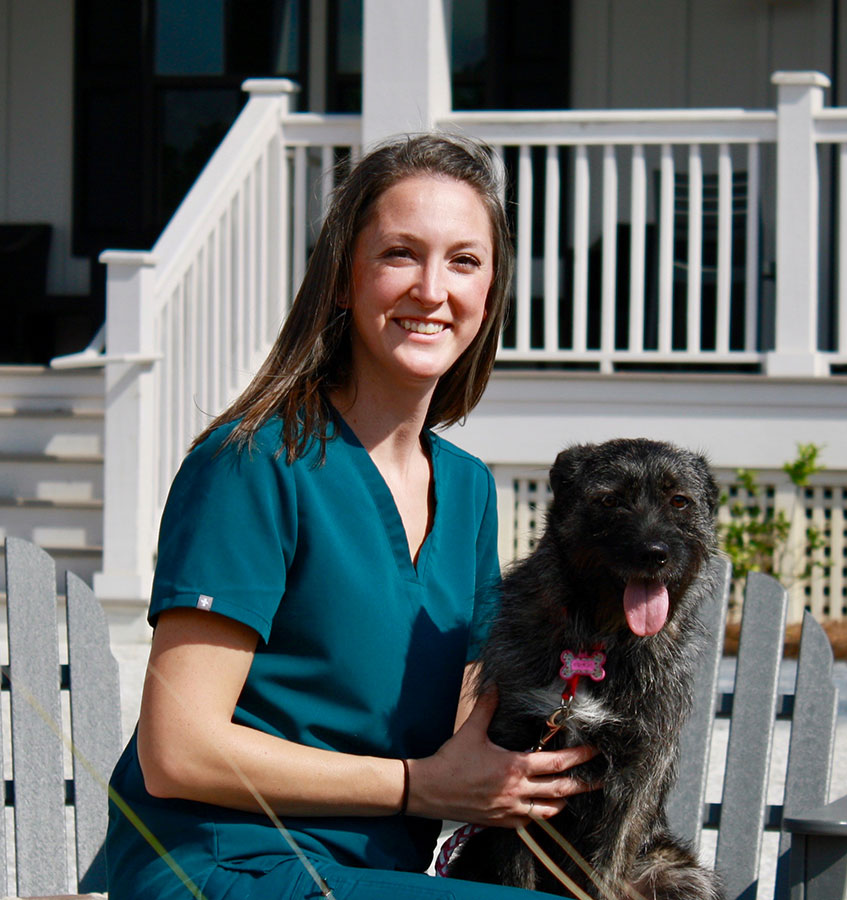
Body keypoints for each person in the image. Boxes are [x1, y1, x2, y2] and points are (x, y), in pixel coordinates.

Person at [105, 133, 596, 900]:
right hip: (226, 865)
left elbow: (468, 716)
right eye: (400, 254)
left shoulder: (466, 490)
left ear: (491, 293)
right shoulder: (254, 463)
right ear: (342, 280)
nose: (432, 289)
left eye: (464, 261)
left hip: (375, 878)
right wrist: (417, 788)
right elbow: (179, 749)